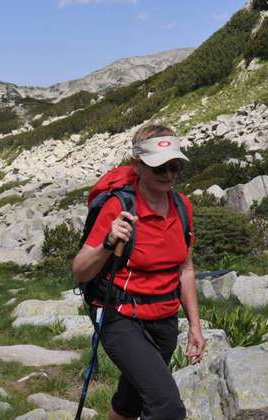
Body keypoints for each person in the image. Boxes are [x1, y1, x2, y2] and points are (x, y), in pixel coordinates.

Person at [71, 125, 205, 420]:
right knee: (167, 406)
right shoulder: (119, 206)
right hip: (120, 316)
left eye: (175, 166)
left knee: (130, 401)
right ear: (138, 165)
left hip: (165, 318)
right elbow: (80, 271)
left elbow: (186, 268)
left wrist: (194, 325)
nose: (169, 175)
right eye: (160, 167)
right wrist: (107, 242)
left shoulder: (183, 207)